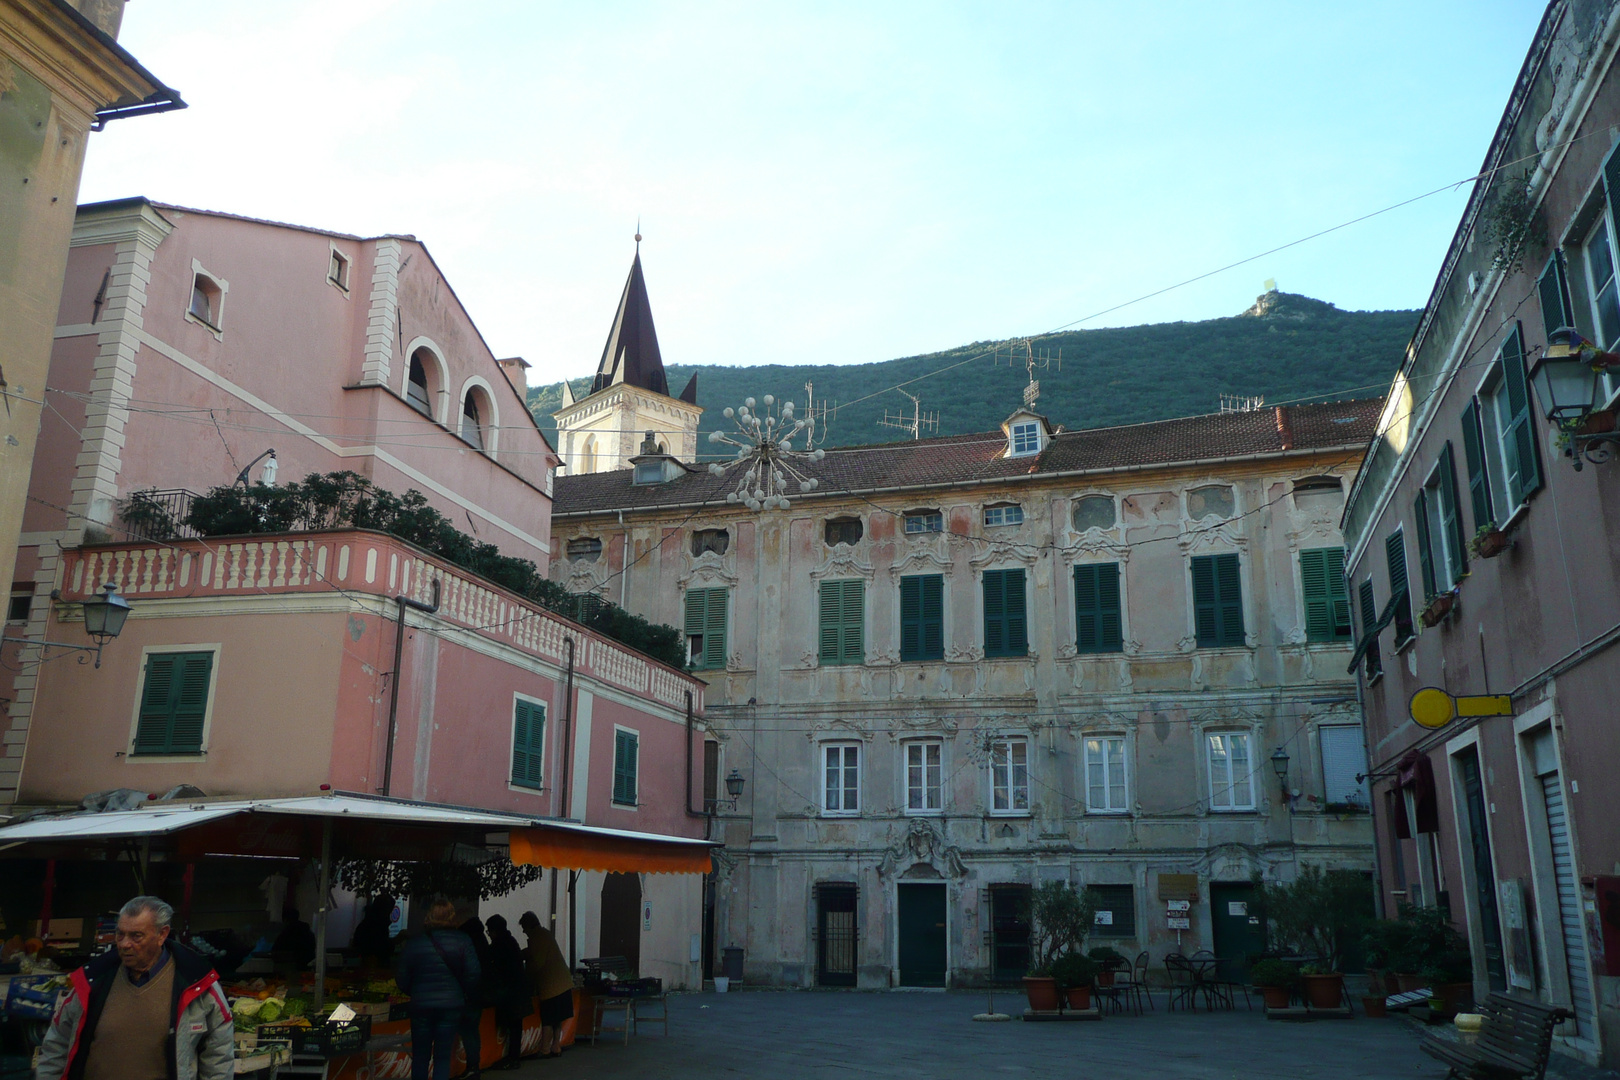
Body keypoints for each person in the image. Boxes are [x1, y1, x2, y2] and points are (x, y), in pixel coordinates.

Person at [35, 895, 234, 1080]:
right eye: (120, 934)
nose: (124, 944)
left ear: (161, 934)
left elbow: (218, 1057)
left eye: (136, 936)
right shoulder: (93, 979)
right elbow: (56, 1045)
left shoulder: (196, 981)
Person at [396, 900, 481, 1080]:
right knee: (442, 1056)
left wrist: (416, 992)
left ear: (429, 917)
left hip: (421, 1006)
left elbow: (401, 978)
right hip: (451, 1006)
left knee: (420, 1055)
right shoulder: (463, 941)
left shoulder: (415, 942)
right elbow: (474, 974)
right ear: (452, 917)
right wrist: (459, 991)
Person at [518, 911, 573, 1058]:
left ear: (529, 926)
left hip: (551, 986)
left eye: (524, 927)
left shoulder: (536, 938)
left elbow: (537, 963)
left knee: (548, 1019)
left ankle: (545, 1050)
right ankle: (556, 1046)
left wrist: (525, 973)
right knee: (558, 1019)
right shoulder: (545, 934)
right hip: (564, 983)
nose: (523, 931)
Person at [482, 915, 531, 1070]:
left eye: (489, 931)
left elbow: (492, 969)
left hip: (510, 993)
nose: (489, 934)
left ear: (495, 931)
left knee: (513, 1026)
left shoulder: (498, 946)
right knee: (516, 1026)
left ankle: (512, 1057)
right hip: (518, 991)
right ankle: (513, 1057)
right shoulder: (511, 941)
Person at [456, 916, 492, 1079]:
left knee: (468, 1030)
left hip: (468, 994)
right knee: (472, 1030)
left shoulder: (468, 943)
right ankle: (474, 1065)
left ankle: (472, 1066)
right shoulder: (481, 940)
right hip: (478, 992)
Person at [351, 894, 397, 967]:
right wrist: (395, 941)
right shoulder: (377, 925)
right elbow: (380, 947)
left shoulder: (368, 923)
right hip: (374, 966)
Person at [271, 905, 316, 970]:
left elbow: (276, 952)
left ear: (285, 920)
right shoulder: (308, 932)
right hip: (306, 969)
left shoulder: (286, 934)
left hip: (290, 970)